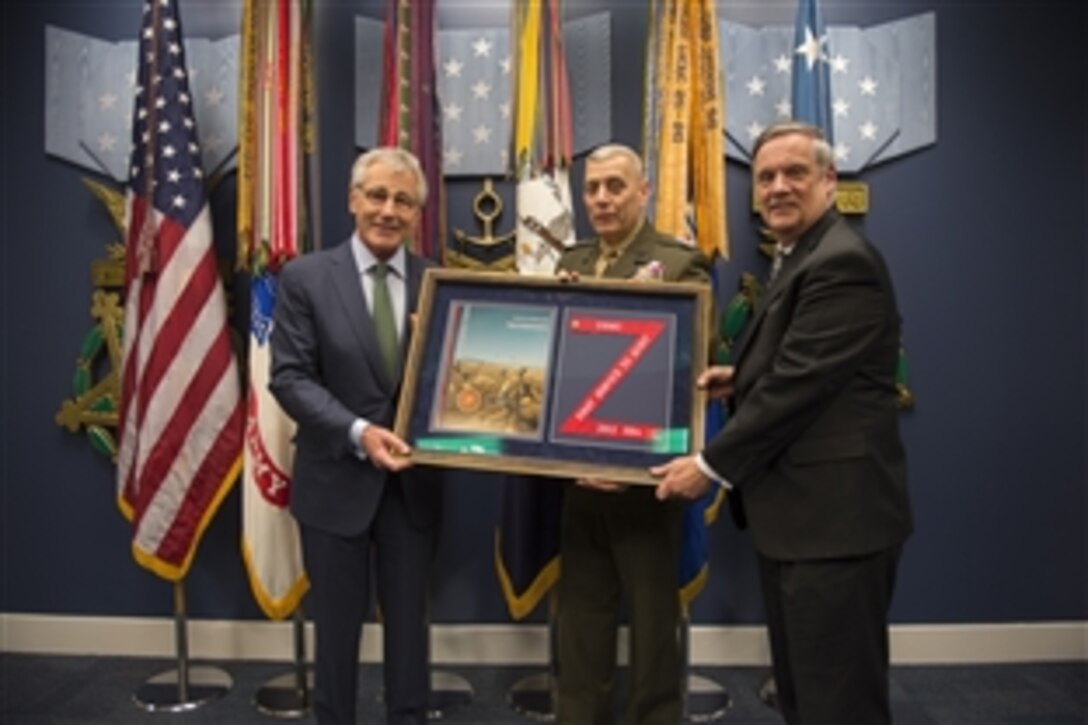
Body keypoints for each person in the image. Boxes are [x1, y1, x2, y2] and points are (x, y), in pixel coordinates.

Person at [653, 122, 913, 725]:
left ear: (829, 180)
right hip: (800, 521)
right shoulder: (803, 254)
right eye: (766, 176)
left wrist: (709, 466)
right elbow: (801, 362)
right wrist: (738, 377)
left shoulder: (841, 261)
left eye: (795, 173)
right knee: (806, 695)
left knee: (838, 704)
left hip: (836, 527)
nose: (776, 187)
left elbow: (798, 386)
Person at [270, 147, 443, 724]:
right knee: (336, 632)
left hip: (413, 489)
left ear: (418, 212)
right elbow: (289, 378)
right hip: (335, 478)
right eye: (377, 195)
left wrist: (438, 353)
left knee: (410, 633)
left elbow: (462, 385)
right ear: (353, 200)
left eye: (402, 200)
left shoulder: (437, 283)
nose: (388, 210)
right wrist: (360, 432)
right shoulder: (305, 278)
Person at [555, 143, 710, 725]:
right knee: (581, 623)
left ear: (643, 191)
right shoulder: (569, 260)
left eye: (615, 186)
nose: (601, 198)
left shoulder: (677, 264)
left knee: (651, 631)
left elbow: (681, 372)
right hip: (576, 479)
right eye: (592, 187)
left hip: (644, 483)